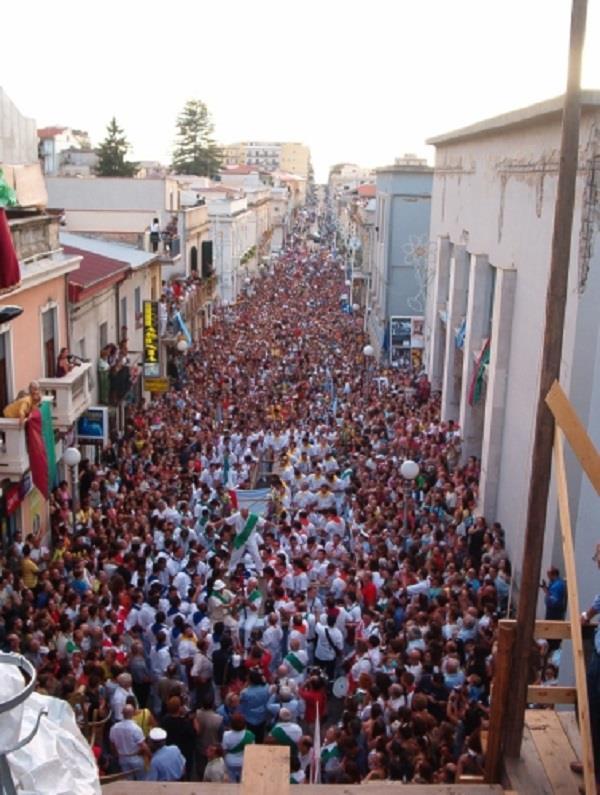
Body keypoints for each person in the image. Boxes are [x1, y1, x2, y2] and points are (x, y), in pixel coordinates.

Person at [108, 703, 147, 780]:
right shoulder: (136, 728)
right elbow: (143, 746)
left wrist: (117, 754)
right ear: (133, 714)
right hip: (136, 758)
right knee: (142, 781)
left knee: (128, 782)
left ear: (122, 713)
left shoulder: (114, 728)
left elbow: (112, 745)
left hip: (123, 758)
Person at [222, 713, 255, 783]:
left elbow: (224, 750)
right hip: (244, 762)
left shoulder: (226, 735)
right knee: (243, 781)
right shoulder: (250, 735)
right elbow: (252, 751)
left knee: (231, 782)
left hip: (230, 762)